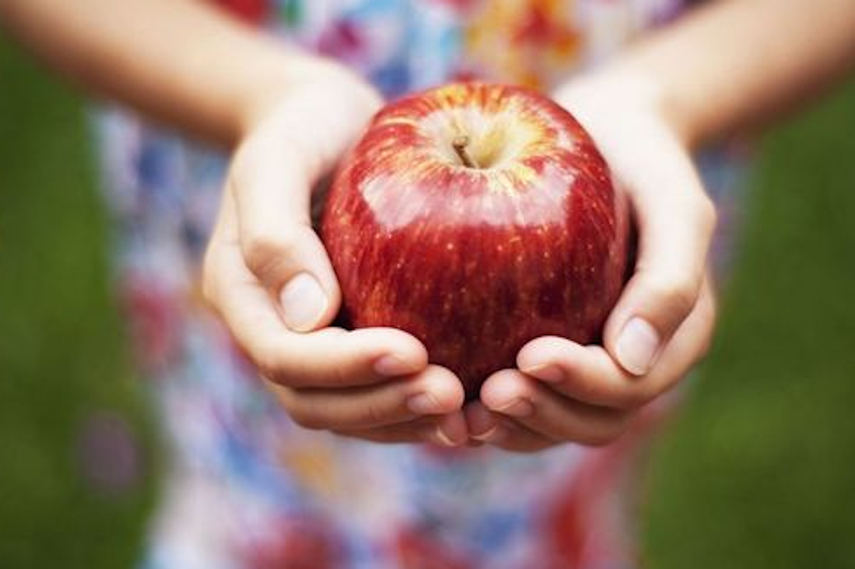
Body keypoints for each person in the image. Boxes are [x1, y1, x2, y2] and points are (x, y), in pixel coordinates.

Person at [1, 0, 854, 567]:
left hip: (606, 178)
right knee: (258, 476)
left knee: (561, 472)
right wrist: (259, 92)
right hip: (256, 137)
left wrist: (663, 96)